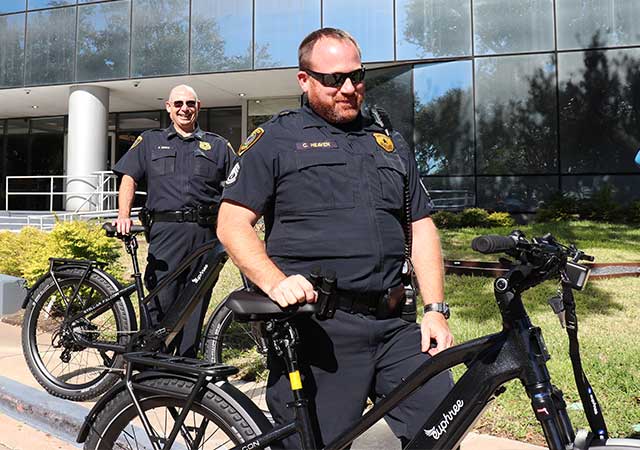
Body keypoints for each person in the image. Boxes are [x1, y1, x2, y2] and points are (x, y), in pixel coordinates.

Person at [217, 28, 454, 448]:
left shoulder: (389, 141)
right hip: (320, 330)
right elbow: (232, 223)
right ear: (304, 79)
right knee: (318, 443)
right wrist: (275, 282)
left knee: (442, 423)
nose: (347, 88)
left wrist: (435, 309)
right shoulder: (276, 139)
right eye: (332, 79)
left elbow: (420, 225)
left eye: (356, 77)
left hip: (393, 324)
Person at [112, 84, 236, 357]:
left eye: (190, 103)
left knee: (197, 298)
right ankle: (150, 363)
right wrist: (123, 215)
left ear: (198, 106)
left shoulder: (217, 145)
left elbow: (239, 185)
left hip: (206, 233)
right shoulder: (150, 141)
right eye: (178, 103)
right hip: (166, 232)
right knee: (161, 297)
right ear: (168, 107)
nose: (184, 109)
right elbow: (129, 177)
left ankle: (186, 364)